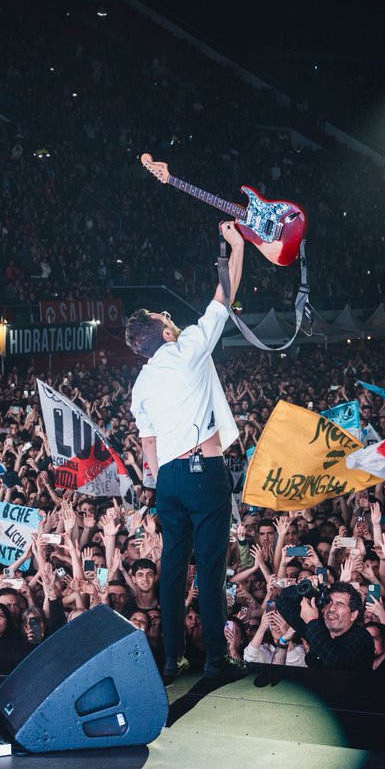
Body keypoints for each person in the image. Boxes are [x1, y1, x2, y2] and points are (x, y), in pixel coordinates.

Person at [126, 220, 246, 683]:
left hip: (170, 482)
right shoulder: (187, 350)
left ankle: (173, 658)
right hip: (202, 471)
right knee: (211, 568)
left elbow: (148, 445)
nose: (168, 316)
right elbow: (225, 294)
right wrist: (236, 247)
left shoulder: (140, 384)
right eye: (163, 316)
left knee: (173, 571)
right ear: (162, 330)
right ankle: (216, 659)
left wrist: (160, 491)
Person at [280, 581, 375, 671]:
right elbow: (282, 602)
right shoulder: (320, 628)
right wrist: (307, 588)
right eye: (328, 602)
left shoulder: (362, 636)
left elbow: (334, 658)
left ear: (353, 615)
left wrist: (311, 621)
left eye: (340, 604)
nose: (332, 608)